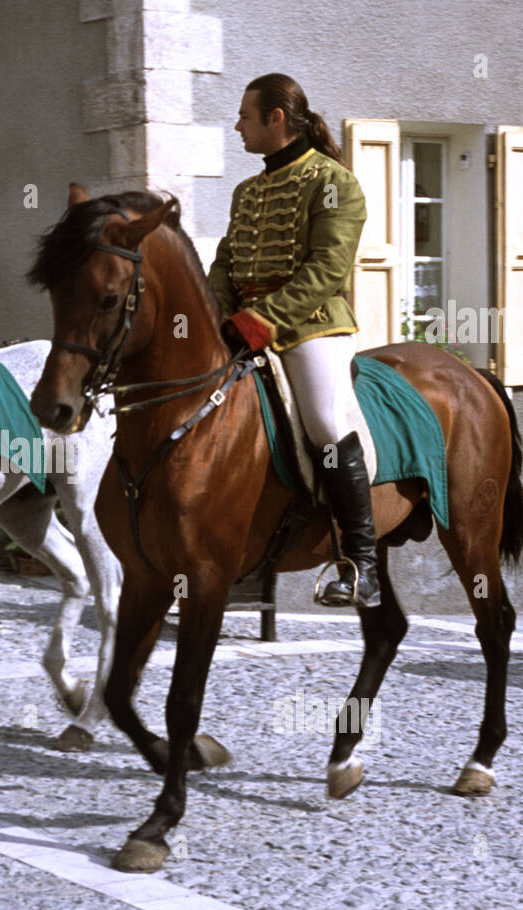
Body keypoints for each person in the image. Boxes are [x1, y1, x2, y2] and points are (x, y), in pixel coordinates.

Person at [208, 74, 379, 607]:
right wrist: (215, 313)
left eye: (245, 115)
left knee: (325, 421)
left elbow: (327, 268)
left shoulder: (333, 182)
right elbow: (225, 264)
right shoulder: (248, 191)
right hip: (243, 323)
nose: (237, 125)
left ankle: (361, 562)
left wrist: (263, 321)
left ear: (276, 118)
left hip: (312, 324)